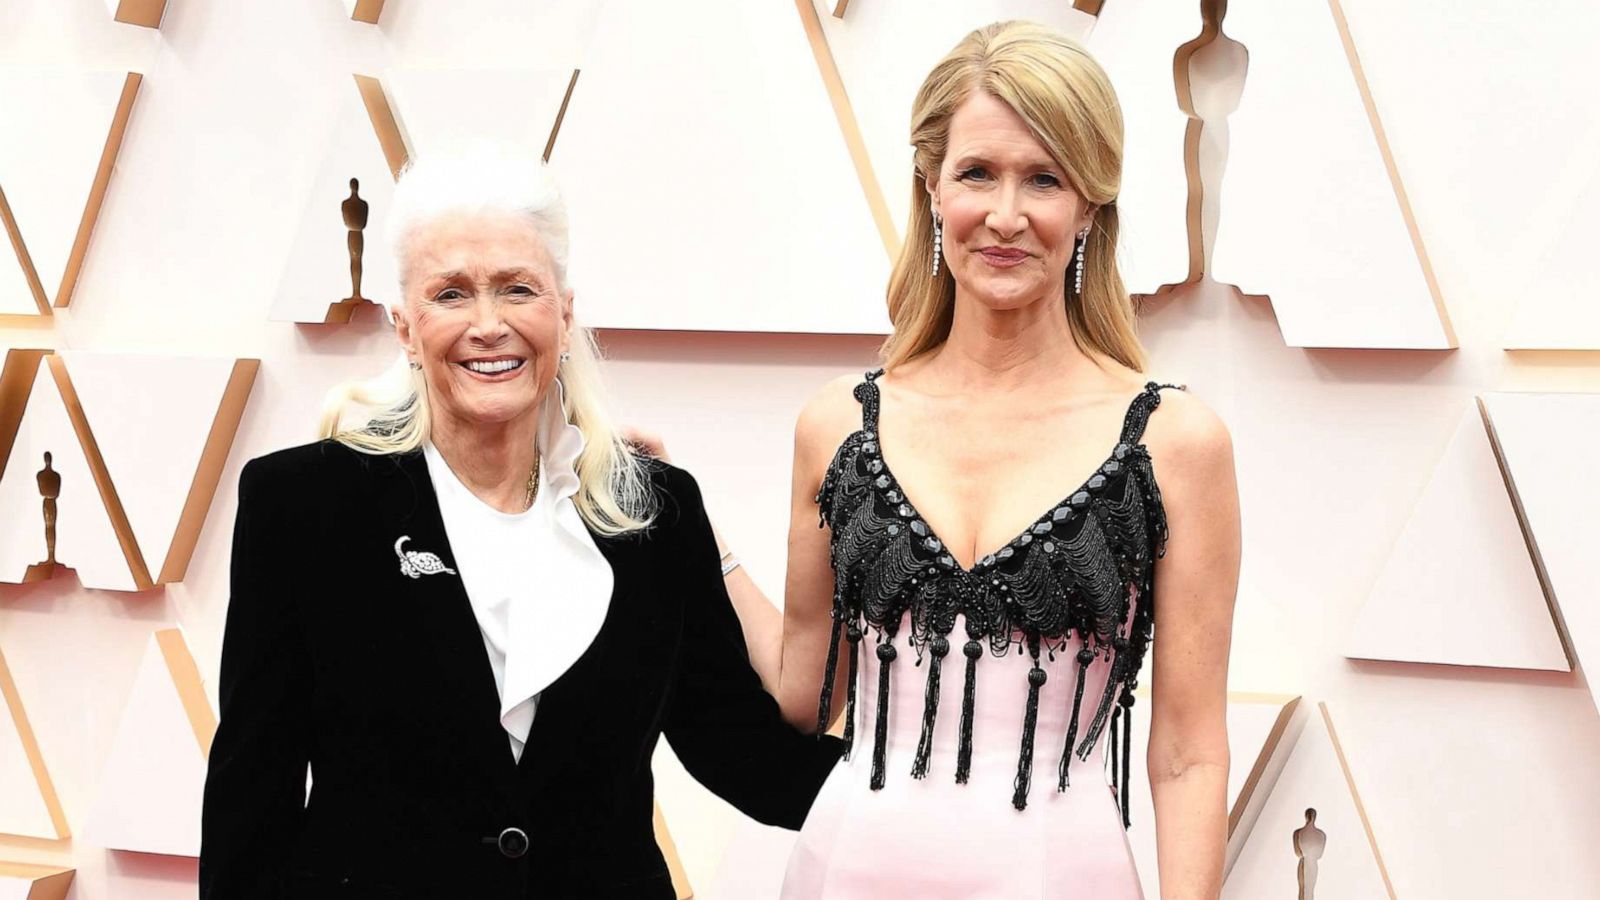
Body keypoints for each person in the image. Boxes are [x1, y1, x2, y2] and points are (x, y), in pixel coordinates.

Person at [677, 21, 1239, 899]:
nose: (1006, 215)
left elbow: (1187, 754)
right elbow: (804, 694)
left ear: (1089, 203)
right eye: (977, 172)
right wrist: (694, 534)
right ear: (932, 189)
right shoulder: (838, 426)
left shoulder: (1173, 443)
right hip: (845, 872)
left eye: (1044, 179)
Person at [199, 147, 841, 899]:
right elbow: (253, 794)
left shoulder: (654, 513)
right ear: (405, 327)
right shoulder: (302, 504)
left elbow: (749, 759)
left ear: (564, 315)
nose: (488, 324)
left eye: (517, 289)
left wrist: (962, 797)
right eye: (450, 294)